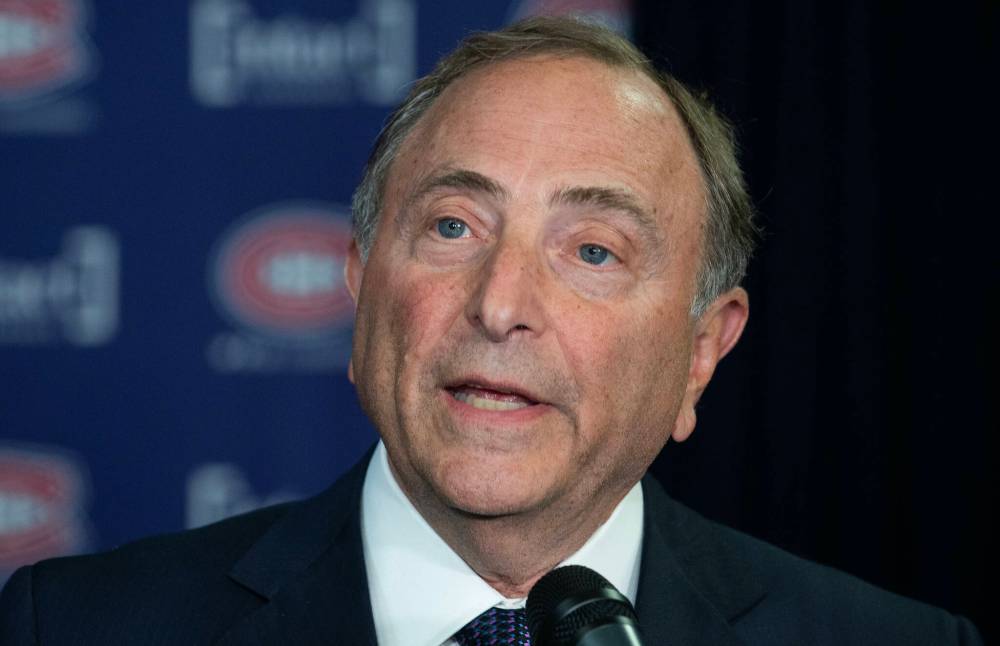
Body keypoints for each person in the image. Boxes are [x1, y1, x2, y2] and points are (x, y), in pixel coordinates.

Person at [0, 16, 982, 646]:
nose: (500, 302)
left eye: (592, 251)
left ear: (701, 353)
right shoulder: (75, 628)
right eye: (452, 227)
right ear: (360, 285)